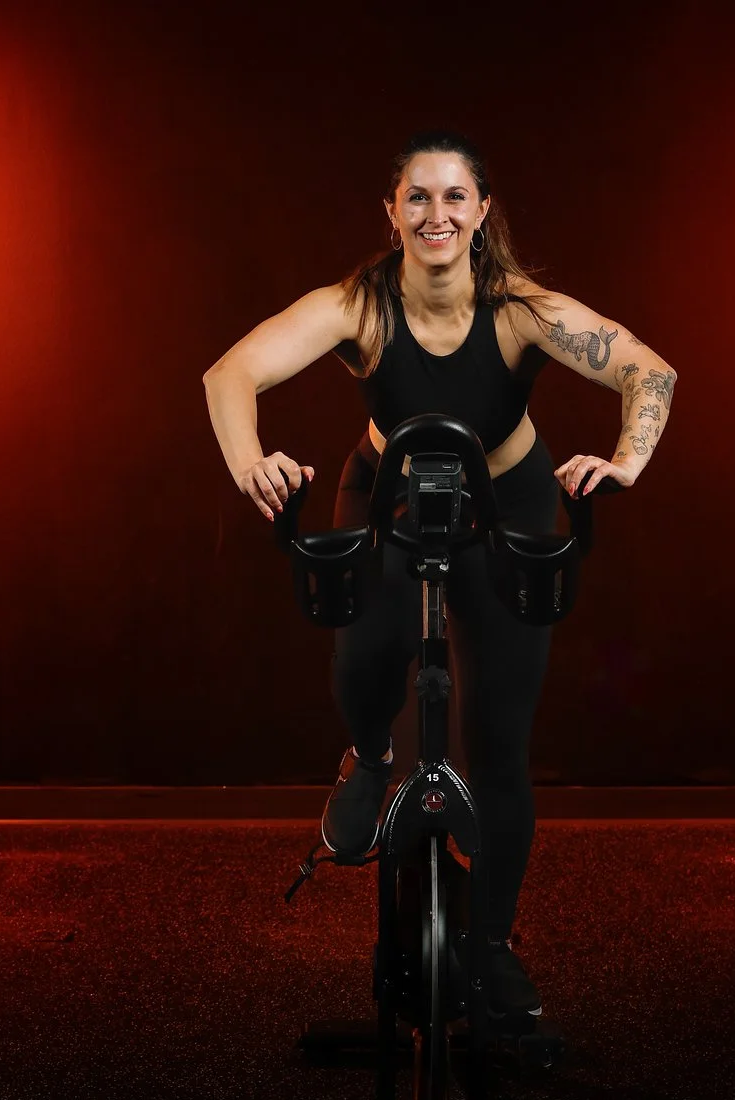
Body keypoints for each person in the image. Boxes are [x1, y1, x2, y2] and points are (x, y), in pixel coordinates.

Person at [203, 130, 676, 1018]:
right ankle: (373, 758)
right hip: (387, 495)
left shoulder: (522, 310)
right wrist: (250, 461)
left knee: (497, 742)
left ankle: (490, 947)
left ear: (483, 212)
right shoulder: (362, 306)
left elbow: (650, 372)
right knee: (361, 670)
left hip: (509, 505)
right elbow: (230, 373)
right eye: (417, 197)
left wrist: (626, 462)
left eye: (454, 197)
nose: (436, 214)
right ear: (391, 213)